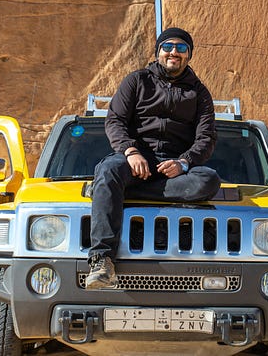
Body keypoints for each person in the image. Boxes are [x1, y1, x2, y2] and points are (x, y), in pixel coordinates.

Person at [86, 27, 220, 289]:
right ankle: (102, 260)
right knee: (109, 170)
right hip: (134, 162)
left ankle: (114, 192)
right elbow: (115, 120)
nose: (174, 52)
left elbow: (206, 138)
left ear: (189, 55)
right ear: (158, 51)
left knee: (208, 180)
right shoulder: (136, 80)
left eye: (181, 48)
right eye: (168, 46)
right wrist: (130, 151)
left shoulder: (200, 94)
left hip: (174, 168)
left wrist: (184, 162)